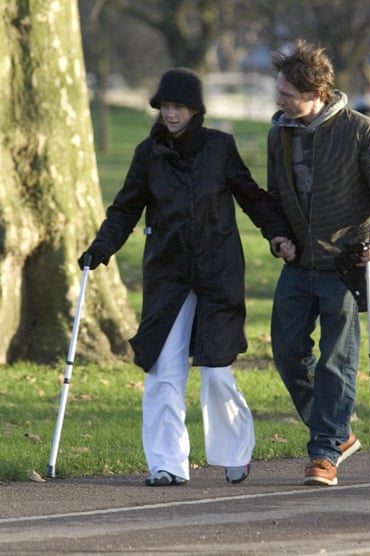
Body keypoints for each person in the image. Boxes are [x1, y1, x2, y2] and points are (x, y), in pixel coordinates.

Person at [78, 67, 295, 487]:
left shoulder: (220, 148)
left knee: (216, 371)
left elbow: (252, 197)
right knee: (163, 370)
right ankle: (167, 464)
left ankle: (234, 452)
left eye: (178, 107)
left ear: (196, 110)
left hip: (218, 271)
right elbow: (125, 209)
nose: (171, 114)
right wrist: (101, 248)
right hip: (168, 274)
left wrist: (279, 234)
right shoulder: (149, 153)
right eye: (165, 107)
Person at [266, 40, 370, 486]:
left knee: (336, 363)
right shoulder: (280, 133)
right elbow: (275, 199)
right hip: (298, 265)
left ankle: (324, 451)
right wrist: (278, 237)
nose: (279, 101)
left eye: (287, 95)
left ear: (316, 93)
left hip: (346, 267)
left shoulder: (360, 131)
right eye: (279, 92)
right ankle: (340, 433)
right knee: (288, 353)